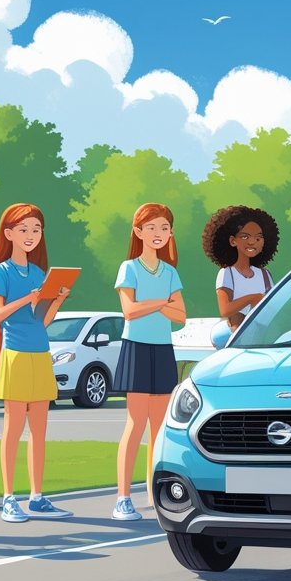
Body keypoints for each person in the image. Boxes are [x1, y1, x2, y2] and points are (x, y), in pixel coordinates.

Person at [0, 203, 74, 523]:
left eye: (36, 230)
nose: (31, 235)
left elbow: (43, 321)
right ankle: (9, 497)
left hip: (40, 353)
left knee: (39, 430)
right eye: (23, 229)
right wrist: (26, 298)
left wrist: (57, 299)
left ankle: (37, 496)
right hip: (15, 354)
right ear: (9, 234)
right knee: (13, 428)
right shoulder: (2, 272)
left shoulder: (38, 273)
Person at [111, 203, 186, 520]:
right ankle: (122, 498)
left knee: (160, 428)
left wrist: (152, 305)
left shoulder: (171, 272)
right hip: (137, 348)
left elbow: (180, 317)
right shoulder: (129, 268)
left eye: (164, 228)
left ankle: (154, 492)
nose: (159, 233)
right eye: (152, 227)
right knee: (135, 423)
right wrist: (160, 303)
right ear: (139, 231)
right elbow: (129, 311)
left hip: (162, 349)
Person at [201, 205, 280, 330]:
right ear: (233, 241)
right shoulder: (227, 273)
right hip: (238, 334)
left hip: (264, 331)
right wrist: (253, 298)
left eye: (258, 238)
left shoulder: (265, 275)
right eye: (245, 236)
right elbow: (225, 310)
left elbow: (273, 308)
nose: (252, 242)